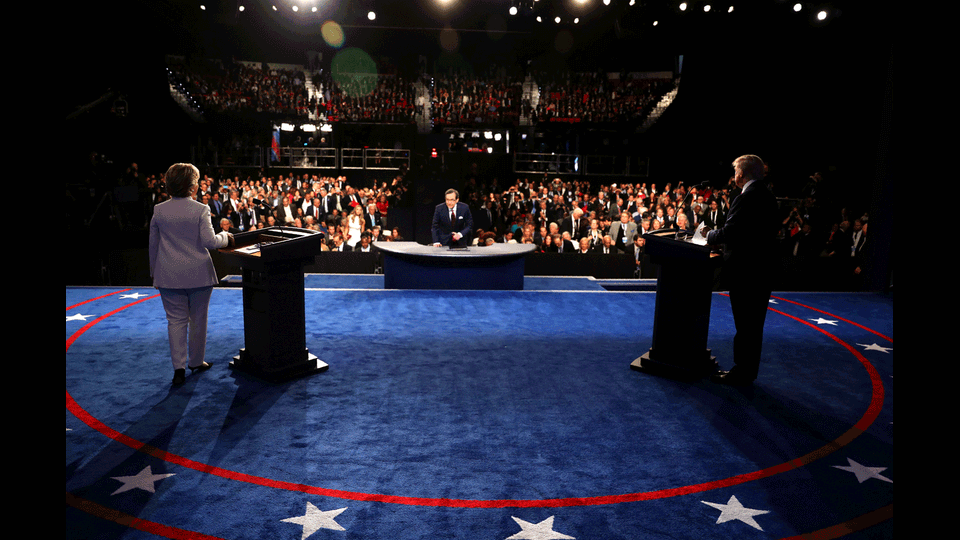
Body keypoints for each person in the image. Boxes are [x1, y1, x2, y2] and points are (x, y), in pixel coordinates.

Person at [149, 163, 234, 386]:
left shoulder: (159, 210)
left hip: (168, 274)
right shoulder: (200, 209)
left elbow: (153, 245)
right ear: (193, 187)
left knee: (175, 322)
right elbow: (210, 241)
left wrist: (154, 273)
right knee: (198, 319)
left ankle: (178, 369)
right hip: (198, 274)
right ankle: (196, 362)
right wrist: (227, 236)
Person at [703, 155, 780, 385]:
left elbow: (731, 232)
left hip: (746, 272)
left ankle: (741, 372)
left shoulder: (745, 197)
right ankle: (748, 371)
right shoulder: (768, 195)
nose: (734, 175)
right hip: (762, 270)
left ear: (741, 174)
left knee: (745, 325)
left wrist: (708, 235)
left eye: (736, 171)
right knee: (754, 326)